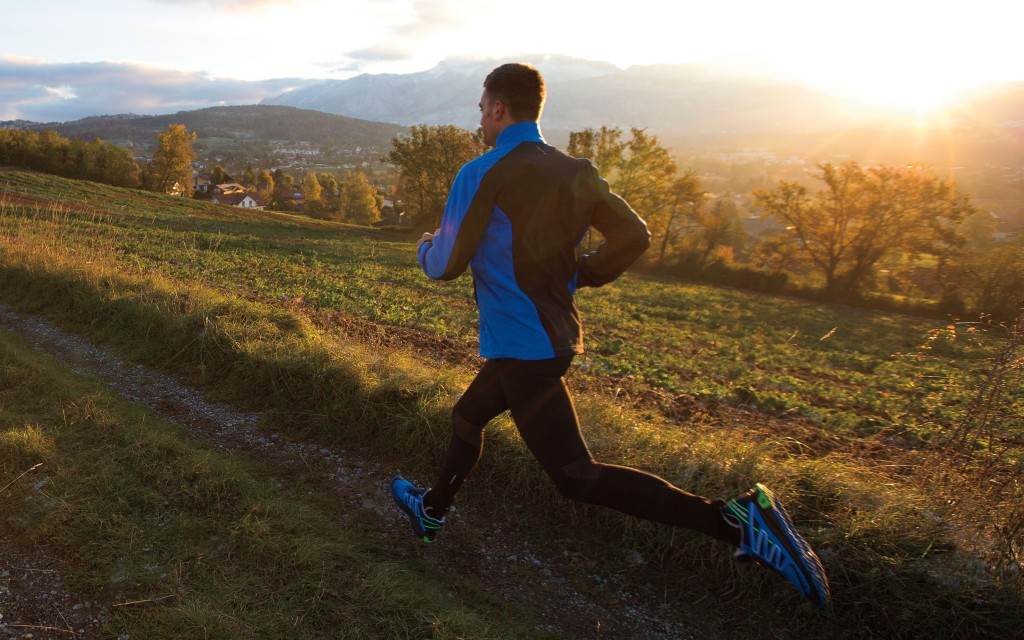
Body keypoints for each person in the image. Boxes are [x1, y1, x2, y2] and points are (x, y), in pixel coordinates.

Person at [390, 63, 830, 607]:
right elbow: (634, 235)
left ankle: (735, 520)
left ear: (499, 109)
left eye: (482, 110)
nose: (480, 120)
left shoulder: (480, 172)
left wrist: (424, 246)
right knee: (467, 416)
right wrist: (580, 274)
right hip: (546, 340)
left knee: (576, 477)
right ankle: (431, 509)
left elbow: (445, 264)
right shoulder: (576, 170)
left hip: (525, 348)